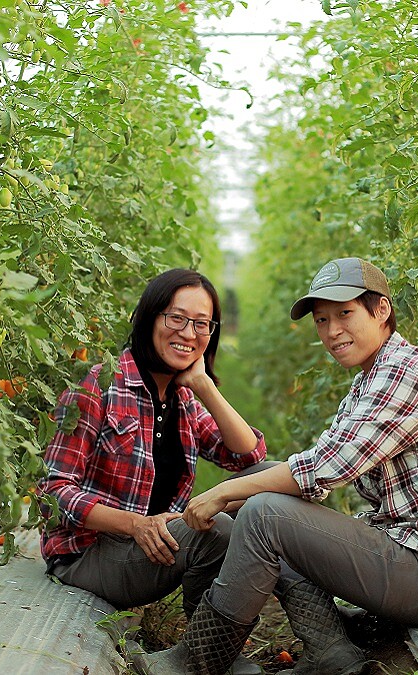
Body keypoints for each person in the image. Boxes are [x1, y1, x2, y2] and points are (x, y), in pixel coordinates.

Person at [135, 258, 418, 675]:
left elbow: (324, 470)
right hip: (400, 554)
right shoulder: (372, 376)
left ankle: (197, 660)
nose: (332, 331)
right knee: (257, 483)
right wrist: (238, 489)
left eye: (345, 314)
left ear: (382, 311)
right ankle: (331, 652)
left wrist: (221, 493)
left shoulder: (406, 373)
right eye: (322, 320)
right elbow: (310, 470)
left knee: (263, 511)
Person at [37, 269, 268, 672]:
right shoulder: (97, 386)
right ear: (150, 318)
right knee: (217, 533)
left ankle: (315, 643)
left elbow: (249, 458)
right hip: (90, 553)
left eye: (202, 324)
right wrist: (134, 525)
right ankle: (208, 656)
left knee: (273, 478)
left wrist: (205, 386)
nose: (189, 332)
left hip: (152, 545)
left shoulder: (182, 397)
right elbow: (53, 491)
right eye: (176, 318)